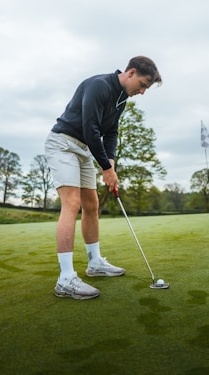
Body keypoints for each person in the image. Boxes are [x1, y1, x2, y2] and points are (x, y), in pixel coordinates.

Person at [45, 56, 162, 300]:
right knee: (72, 203)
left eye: (146, 89)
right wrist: (106, 169)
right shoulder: (99, 85)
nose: (142, 92)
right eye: (142, 85)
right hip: (63, 144)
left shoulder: (121, 99)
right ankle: (65, 278)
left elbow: (111, 132)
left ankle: (94, 262)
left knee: (92, 205)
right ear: (130, 73)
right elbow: (91, 128)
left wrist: (111, 162)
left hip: (85, 150)